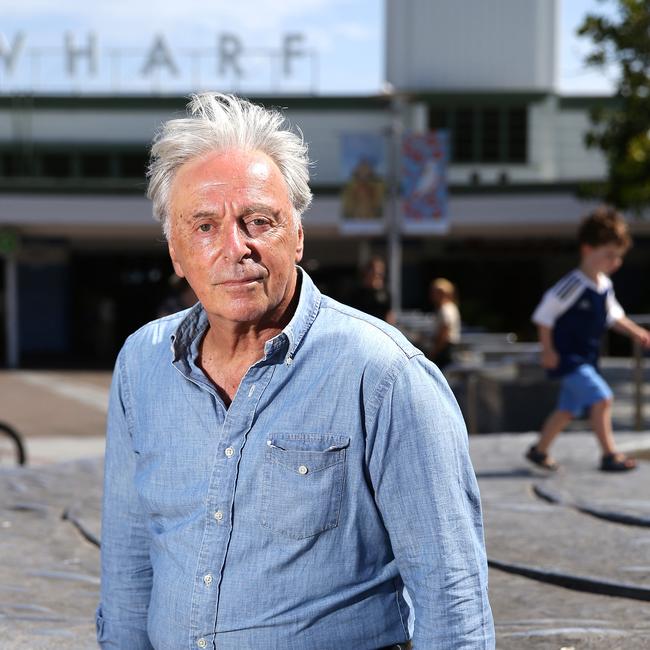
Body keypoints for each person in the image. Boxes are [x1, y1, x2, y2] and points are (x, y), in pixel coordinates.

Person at [97, 93, 494, 649]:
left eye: (259, 220)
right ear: (176, 253)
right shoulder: (142, 364)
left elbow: (453, 599)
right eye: (205, 227)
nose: (236, 249)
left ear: (299, 236)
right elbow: (128, 565)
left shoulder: (382, 374)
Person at [527, 206, 650, 472]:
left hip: (587, 357)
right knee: (602, 398)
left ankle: (539, 450)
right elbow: (544, 315)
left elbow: (614, 316)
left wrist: (636, 332)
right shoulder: (573, 284)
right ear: (587, 249)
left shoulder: (604, 286)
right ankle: (609, 455)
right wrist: (548, 350)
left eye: (618, 257)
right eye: (609, 255)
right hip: (569, 358)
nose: (615, 263)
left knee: (567, 409)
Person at [429, 277, 461, 370]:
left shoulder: (445, 309)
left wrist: (434, 352)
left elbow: (444, 334)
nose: (432, 295)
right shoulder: (449, 307)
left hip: (445, 350)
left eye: (435, 292)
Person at [350, 255, 394, 322]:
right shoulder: (357, 293)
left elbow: (389, 314)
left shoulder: (385, 293)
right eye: (374, 270)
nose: (377, 274)